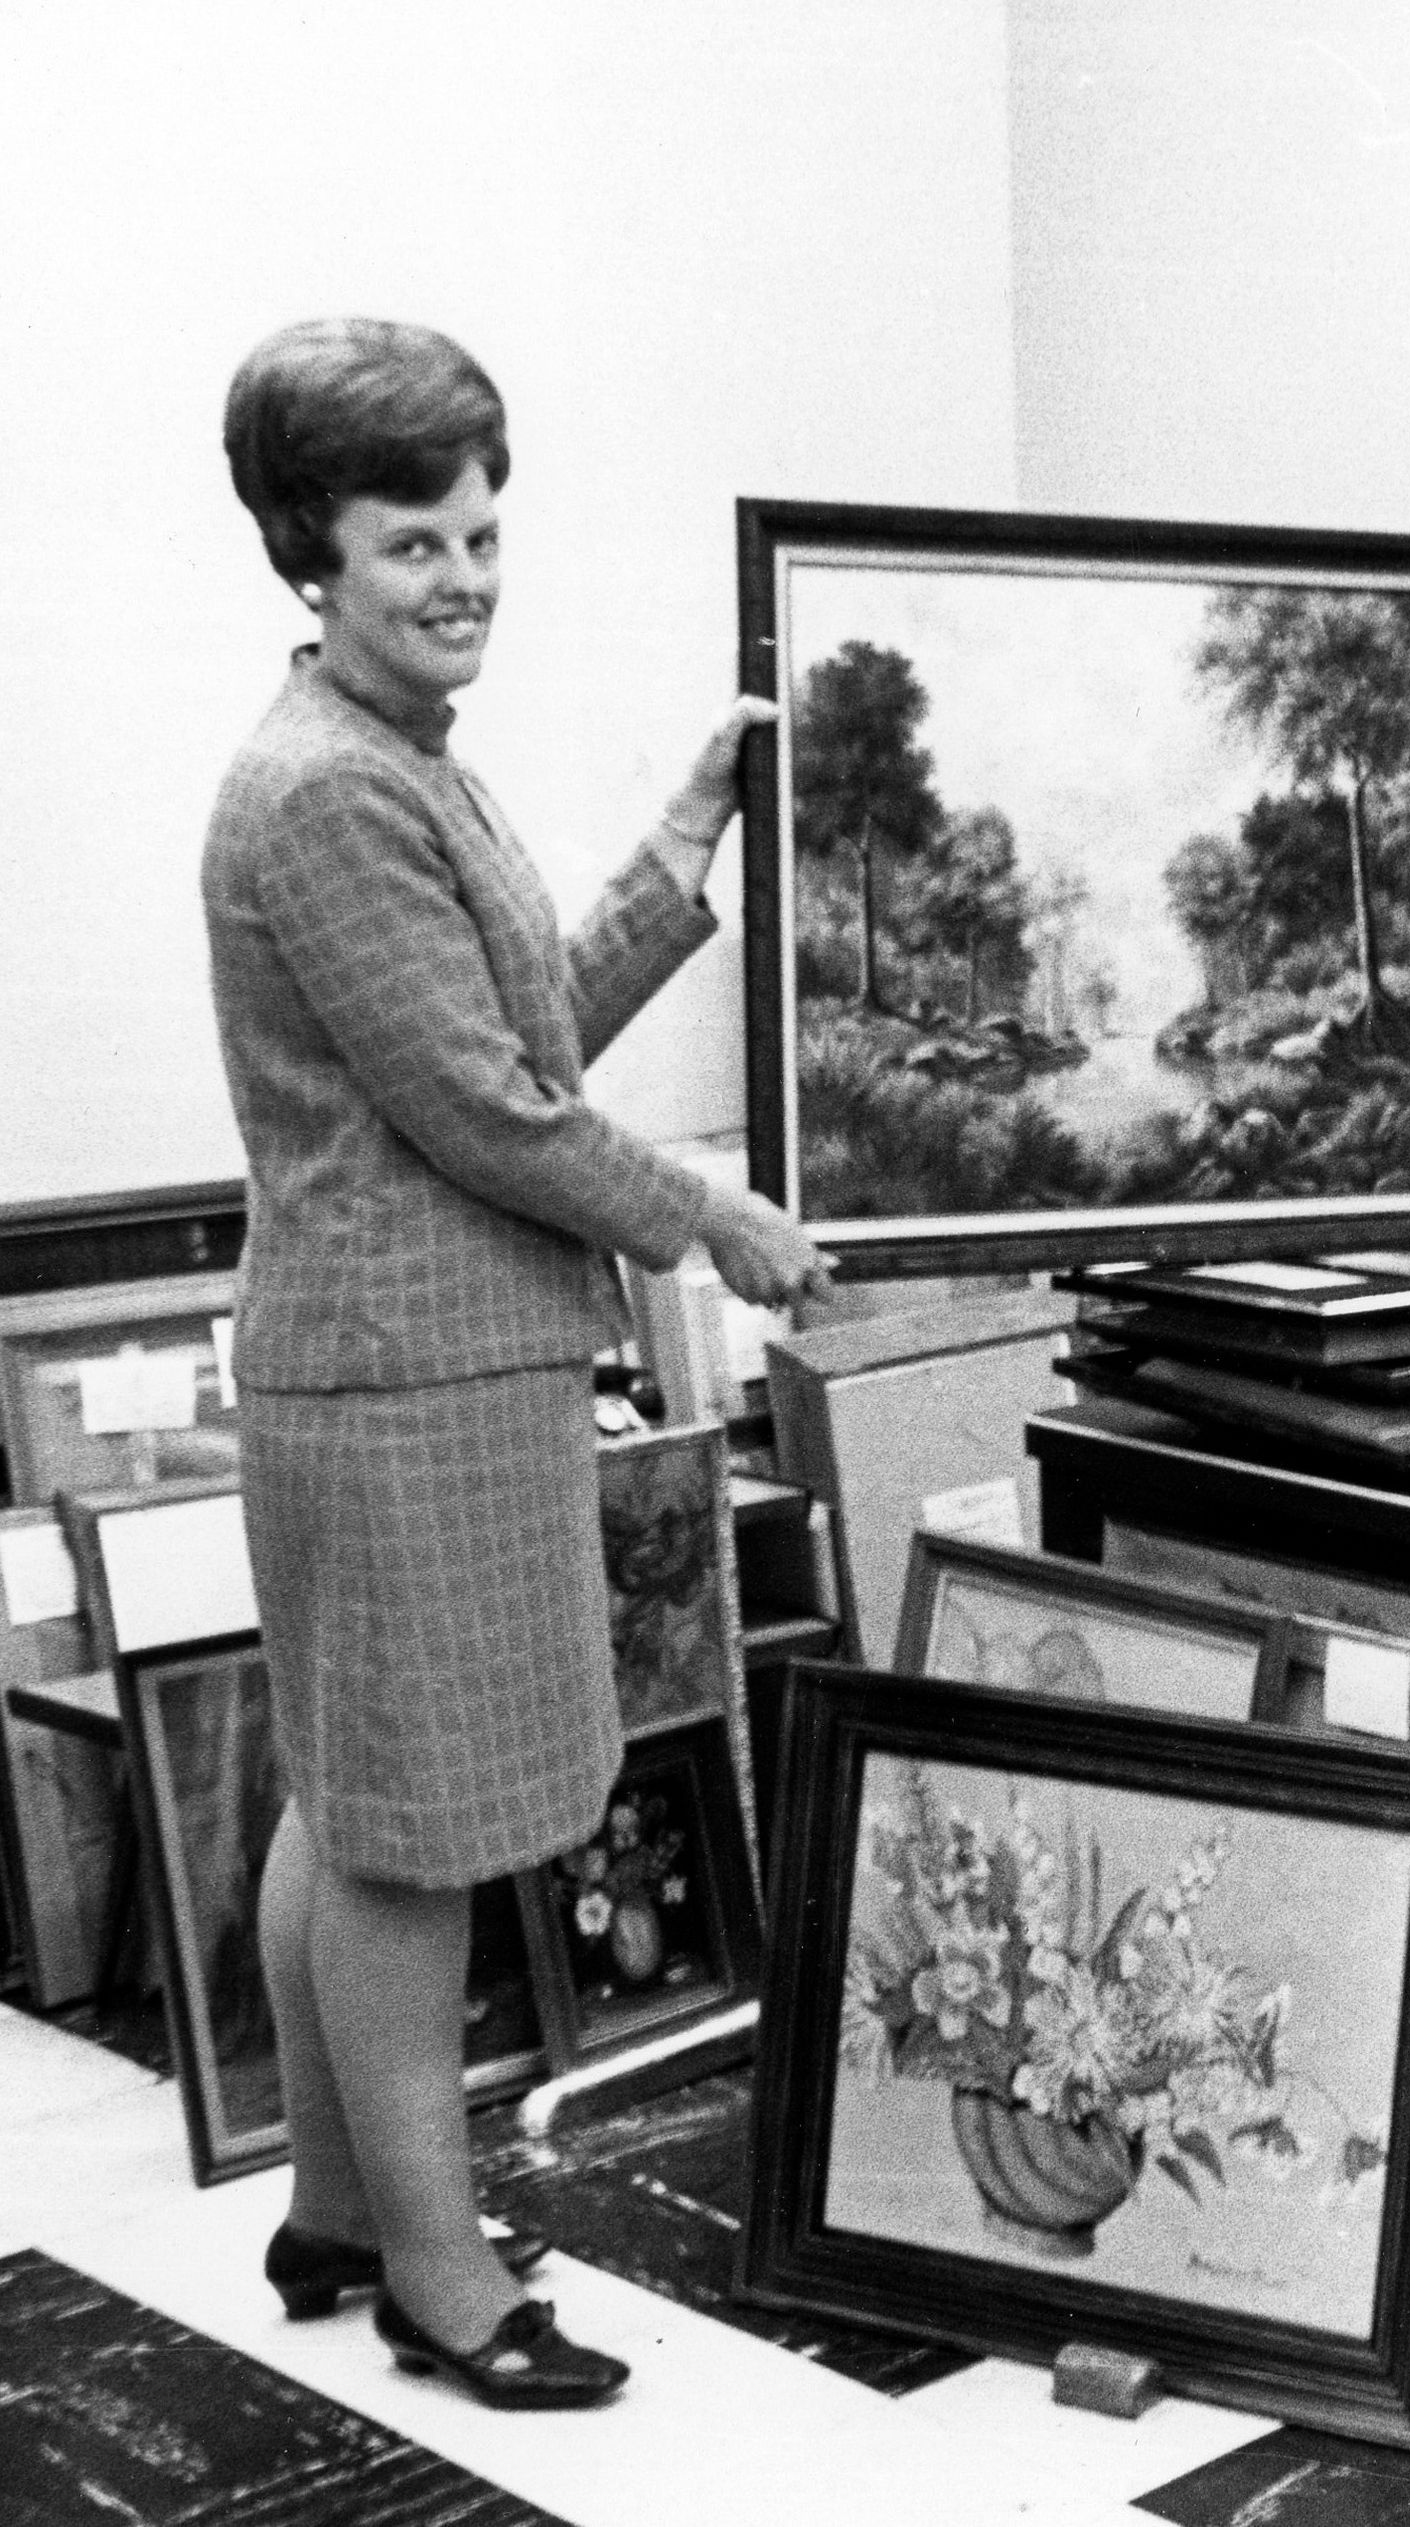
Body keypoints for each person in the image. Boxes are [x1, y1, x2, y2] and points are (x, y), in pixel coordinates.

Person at [208, 318, 831, 2408]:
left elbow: (509, 1042)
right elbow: (491, 1114)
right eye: (415, 541)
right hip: (407, 1388)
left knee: (349, 1791)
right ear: (314, 551)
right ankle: (440, 2279)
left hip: (399, 1369)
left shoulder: (392, 760)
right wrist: (715, 1218)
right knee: (412, 1839)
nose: (467, 573)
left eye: (485, 530)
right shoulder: (325, 798)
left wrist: (677, 853)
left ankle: (327, 2202)